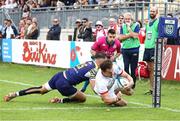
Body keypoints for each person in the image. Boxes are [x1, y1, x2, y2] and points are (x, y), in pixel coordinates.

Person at [4, 52, 107, 103]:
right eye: (105, 60)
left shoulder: (89, 62)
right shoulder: (95, 69)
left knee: (41, 90)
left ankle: (15, 94)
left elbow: (86, 77)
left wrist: (84, 88)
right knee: (83, 99)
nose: (106, 63)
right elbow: (94, 86)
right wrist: (103, 95)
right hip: (64, 84)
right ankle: (60, 101)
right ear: (100, 60)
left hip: (59, 75)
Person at [118, 12, 140, 89]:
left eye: (128, 19)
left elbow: (135, 36)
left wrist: (129, 29)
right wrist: (129, 35)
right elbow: (120, 38)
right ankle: (127, 83)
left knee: (133, 68)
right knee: (126, 67)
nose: (127, 20)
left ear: (132, 19)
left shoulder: (136, 25)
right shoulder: (122, 26)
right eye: (126, 19)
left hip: (134, 49)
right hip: (125, 49)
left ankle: (133, 84)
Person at [143, 6, 159, 95]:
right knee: (149, 69)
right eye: (151, 11)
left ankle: (154, 89)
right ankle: (151, 88)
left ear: (156, 12)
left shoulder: (158, 22)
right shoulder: (148, 22)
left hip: (153, 47)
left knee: (153, 69)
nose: (152, 12)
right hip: (147, 47)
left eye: (153, 11)